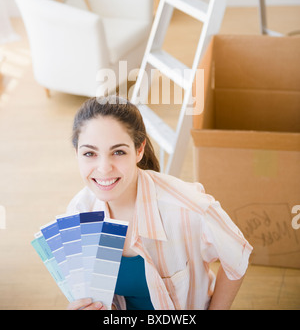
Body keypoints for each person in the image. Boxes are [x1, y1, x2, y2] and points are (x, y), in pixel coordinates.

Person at [66, 96, 252, 311]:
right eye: (89, 153)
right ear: (77, 154)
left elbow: (237, 254)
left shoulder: (188, 208)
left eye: (118, 152)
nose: (104, 168)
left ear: (139, 150)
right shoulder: (79, 214)